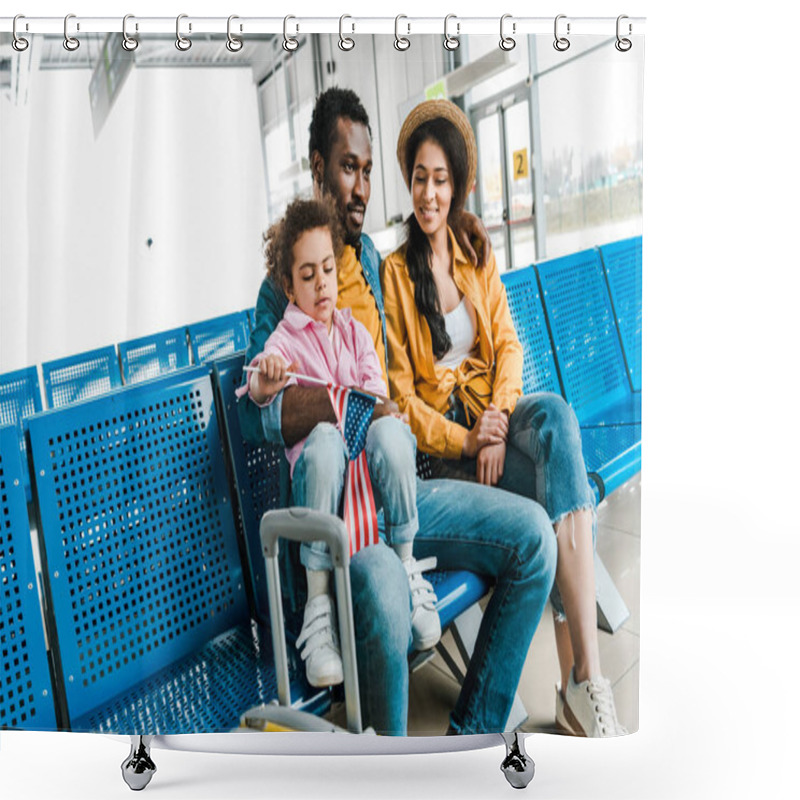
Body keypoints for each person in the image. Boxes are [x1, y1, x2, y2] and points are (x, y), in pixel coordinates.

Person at [238, 87, 557, 736]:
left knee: (536, 540)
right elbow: (253, 417)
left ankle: (471, 738)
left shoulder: (373, 265)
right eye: (347, 166)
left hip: (399, 491)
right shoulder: (284, 284)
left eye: (367, 169)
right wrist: (333, 403)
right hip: (342, 526)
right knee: (384, 574)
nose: (360, 186)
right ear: (317, 167)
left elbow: (398, 388)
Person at [382, 98, 626, 738]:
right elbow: (403, 400)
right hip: (444, 450)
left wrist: (494, 415)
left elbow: (509, 346)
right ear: (409, 181)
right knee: (561, 495)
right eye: (419, 178)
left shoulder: (473, 249)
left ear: (457, 183)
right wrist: (469, 436)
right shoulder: (395, 275)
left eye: (440, 180)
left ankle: (585, 678)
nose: (429, 193)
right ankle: (580, 686)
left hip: (492, 417)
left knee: (555, 421)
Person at [237, 197, 440, 689]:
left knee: (391, 431)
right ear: (289, 286)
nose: (322, 282)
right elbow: (258, 391)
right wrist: (268, 381)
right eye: (307, 275)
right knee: (325, 438)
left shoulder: (354, 332)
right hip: (324, 500)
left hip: (367, 499)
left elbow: (378, 401)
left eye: (327, 268)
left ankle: (407, 567)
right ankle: (318, 605)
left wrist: (369, 407)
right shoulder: (285, 340)